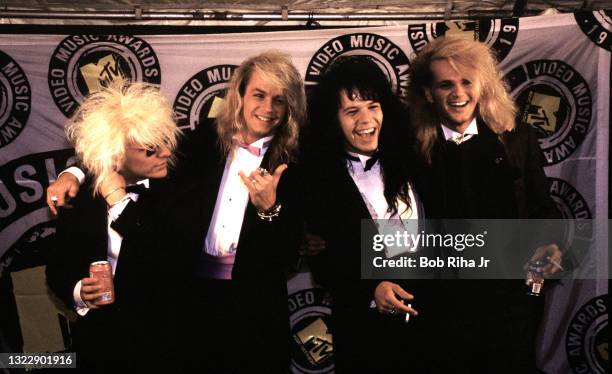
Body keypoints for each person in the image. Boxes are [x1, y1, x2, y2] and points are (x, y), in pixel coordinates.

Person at [46, 51, 305, 373]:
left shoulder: (300, 162)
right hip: (188, 305)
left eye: (279, 100)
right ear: (238, 96)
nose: (267, 109)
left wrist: (270, 209)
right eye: (259, 95)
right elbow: (127, 144)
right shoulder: (203, 140)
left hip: (252, 307)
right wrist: (74, 174)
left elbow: (291, 253)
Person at [374, 35, 563, 373]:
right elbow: (392, 222)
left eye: (466, 82)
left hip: (509, 312)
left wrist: (549, 246)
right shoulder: (408, 150)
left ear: (483, 85)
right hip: (438, 313)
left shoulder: (517, 138)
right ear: (429, 94)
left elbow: (542, 208)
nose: (458, 93)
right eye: (446, 84)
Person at [45, 80, 181, 372]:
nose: (166, 154)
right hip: (99, 345)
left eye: (166, 143)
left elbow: (165, 256)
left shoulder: (179, 190)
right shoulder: (81, 195)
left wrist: (118, 201)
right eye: (151, 150)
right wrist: (80, 290)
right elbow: (58, 267)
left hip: (162, 346)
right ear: (117, 155)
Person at [303, 55, 422, 373]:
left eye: (373, 106)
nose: (366, 119)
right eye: (351, 111)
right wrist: (371, 289)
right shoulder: (320, 181)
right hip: (365, 335)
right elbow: (324, 263)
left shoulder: (415, 160)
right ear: (334, 119)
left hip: (428, 333)